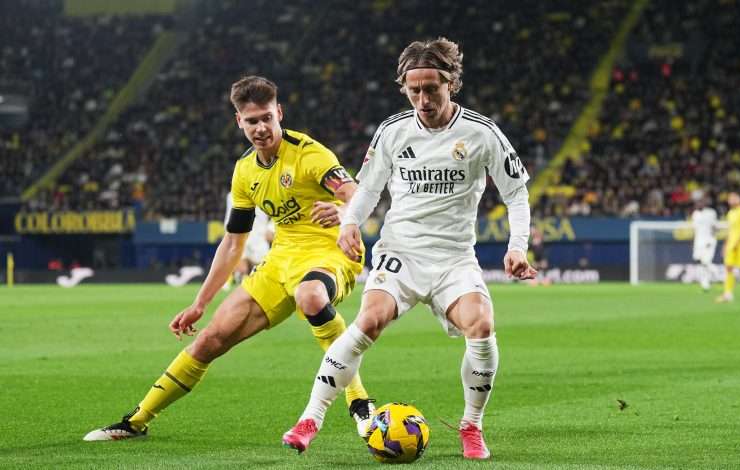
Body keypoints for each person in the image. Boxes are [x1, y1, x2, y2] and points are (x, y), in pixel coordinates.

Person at [281, 38, 536, 460]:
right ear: (404, 87)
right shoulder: (393, 130)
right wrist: (350, 223)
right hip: (401, 251)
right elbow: (368, 188)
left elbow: (516, 194)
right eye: (414, 90)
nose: (423, 99)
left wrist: (517, 247)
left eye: (431, 89)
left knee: (481, 326)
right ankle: (310, 419)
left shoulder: (482, 132)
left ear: (451, 83)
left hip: (454, 257)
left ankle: (471, 425)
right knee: (369, 320)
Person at [84, 76, 375, 441]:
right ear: (239, 121)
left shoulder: (310, 154)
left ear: (279, 113)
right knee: (210, 339)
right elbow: (233, 243)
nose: (261, 128)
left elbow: (355, 192)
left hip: (329, 250)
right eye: (252, 121)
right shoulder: (245, 171)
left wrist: (345, 212)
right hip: (280, 260)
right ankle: (136, 421)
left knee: (311, 295)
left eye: (267, 118)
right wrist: (199, 303)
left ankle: (359, 401)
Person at [222, 191, 274, 290]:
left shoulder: (264, 191)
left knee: (263, 268)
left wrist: (271, 228)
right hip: (242, 235)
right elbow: (229, 217)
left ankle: (259, 287)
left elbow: (276, 210)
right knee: (242, 268)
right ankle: (237, 282)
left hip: (259, 236)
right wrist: (229, 233)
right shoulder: (232, 194)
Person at [690, 198, 718, 291]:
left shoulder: (711, 213)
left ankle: (715, 275)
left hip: (708, 241)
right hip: (698, 241)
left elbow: (714, 227)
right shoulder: (695, 214)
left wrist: (711, 240)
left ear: (704, 204)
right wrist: (693, 241)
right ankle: (706, 281)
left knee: (706, 261)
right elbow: (695, 229)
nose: (698, 205)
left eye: (700, 203)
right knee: (699, 261)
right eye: (697, 203)